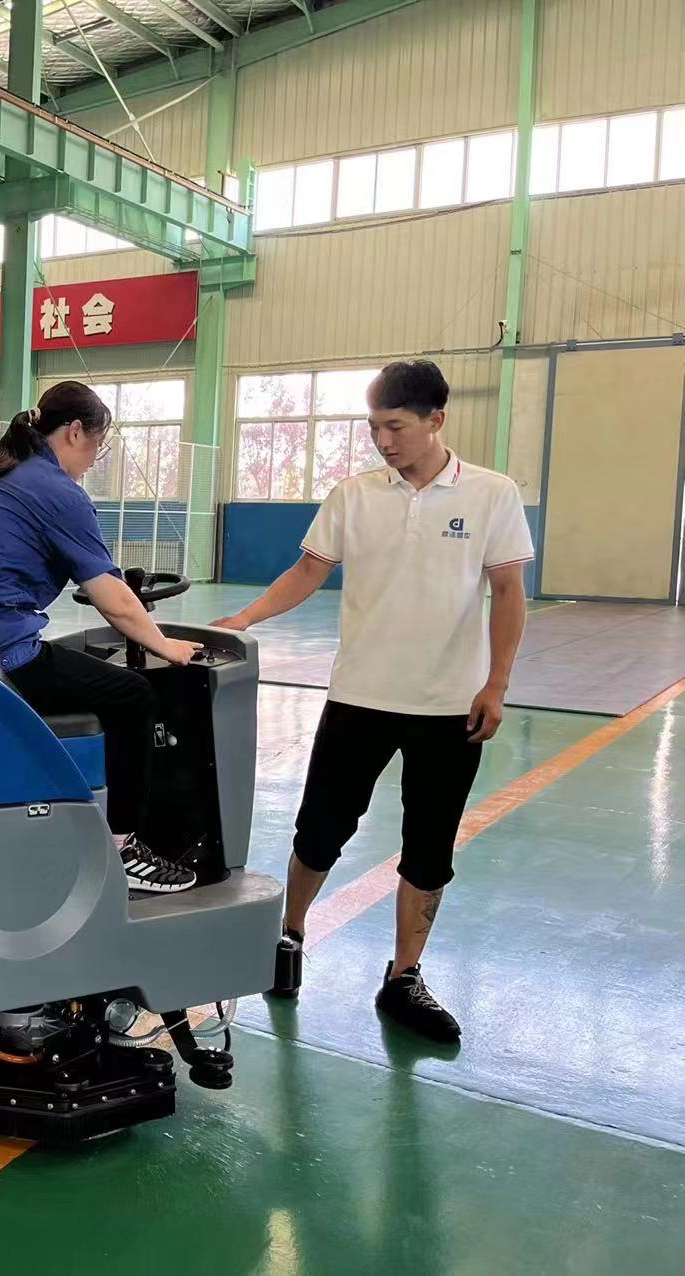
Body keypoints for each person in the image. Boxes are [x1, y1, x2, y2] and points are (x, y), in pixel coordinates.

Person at [213, 360, 532, 1042]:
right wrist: (245, 618)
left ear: (436, 420)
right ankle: (288, 936)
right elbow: (307, 571)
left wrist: (496, 683)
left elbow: (508, 592)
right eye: (374, 428)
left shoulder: (491, 494)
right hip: (360, 696)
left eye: (396, 427)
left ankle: (404, 978)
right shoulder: (354, 495)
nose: (383, 441)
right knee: (321, 828)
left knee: (429, 845)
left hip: (451, 706)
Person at [0, 381, 203, 894]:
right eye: (99, 446)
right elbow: (115, 599)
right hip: (3, 653)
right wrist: (168, 647)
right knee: (134, 695)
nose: (96, 459)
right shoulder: (58, 493)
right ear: (74, 432)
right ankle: (125, 849)